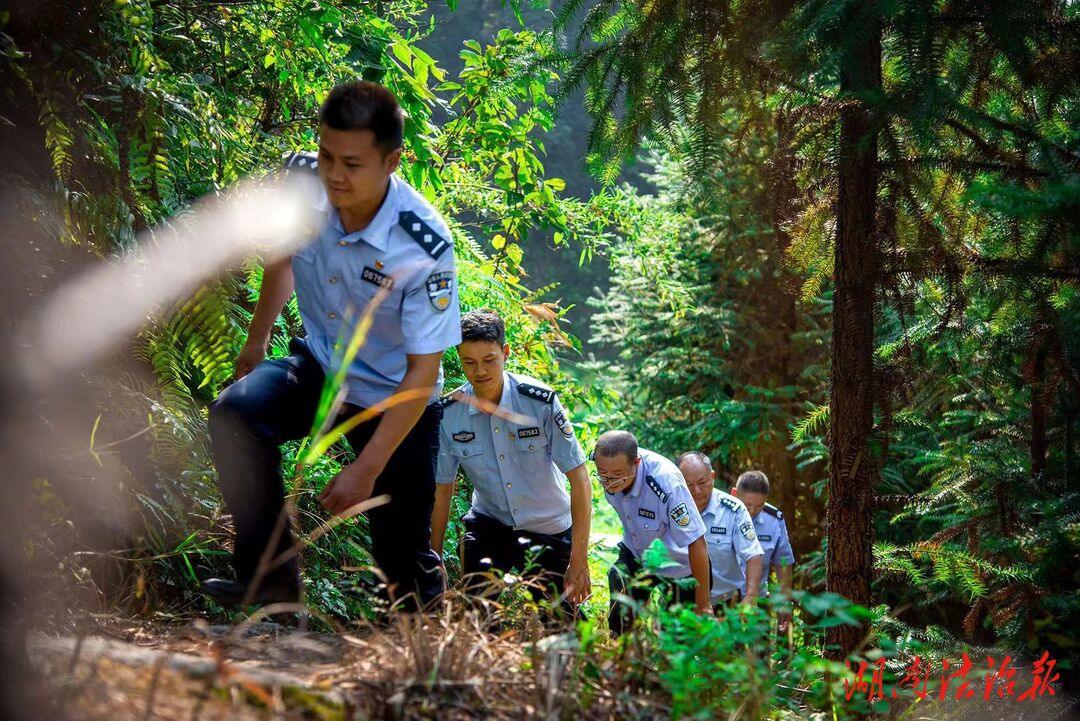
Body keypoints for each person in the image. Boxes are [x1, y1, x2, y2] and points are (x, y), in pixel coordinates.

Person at [201, 80, 461, 611]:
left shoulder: (423, 244)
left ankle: (425, 657)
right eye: (325, 156)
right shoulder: (304, 184)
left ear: (392, 162)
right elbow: (283, 254)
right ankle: (268, 577)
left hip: (394, 398)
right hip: (320, 366)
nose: (334, 176)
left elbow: (421, 374)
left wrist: (366, 468)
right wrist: (256, 344)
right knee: (236, 416)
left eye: (352, 164)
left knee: (403, 570)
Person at [430, 310, 592, 617]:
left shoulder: (539, 403)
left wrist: (579, 560)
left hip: (549, 528)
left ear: (505, 353)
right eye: (469, 362)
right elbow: (442, 489)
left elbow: (581, 480)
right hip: (490, 524)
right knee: (478, 614)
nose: (479, 371)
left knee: (563, 626)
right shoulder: (449, 414)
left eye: (489, 360)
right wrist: (434, 556)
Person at [594, 431, 712, 634]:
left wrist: (703, 605)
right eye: (603, 474)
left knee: (677, 638)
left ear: (636, 463)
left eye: (617, 475)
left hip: (680, 563)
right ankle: (624, 655)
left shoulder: (666, 483)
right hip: (638, 552)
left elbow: (697, 541)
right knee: (620, 602)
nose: (609, 482)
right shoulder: (606, 465)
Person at [677, 451, 764, 608]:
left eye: (702, 482)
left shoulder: (733, 510)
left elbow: (754, 555)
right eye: (689, 485)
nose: (696, 491)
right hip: (680, 602)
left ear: (712, 476)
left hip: (723, 603)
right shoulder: (670, 507)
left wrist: (751, 595)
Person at [732, 470, 796, 631]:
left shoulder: (774, 520)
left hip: (757, 602)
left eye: (759, 506)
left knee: (759, 654)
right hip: (723, 600)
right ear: (734, 494)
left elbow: (784, 562)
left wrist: (785, 601)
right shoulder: (720, 514)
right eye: (747, 505)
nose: (752, 511)